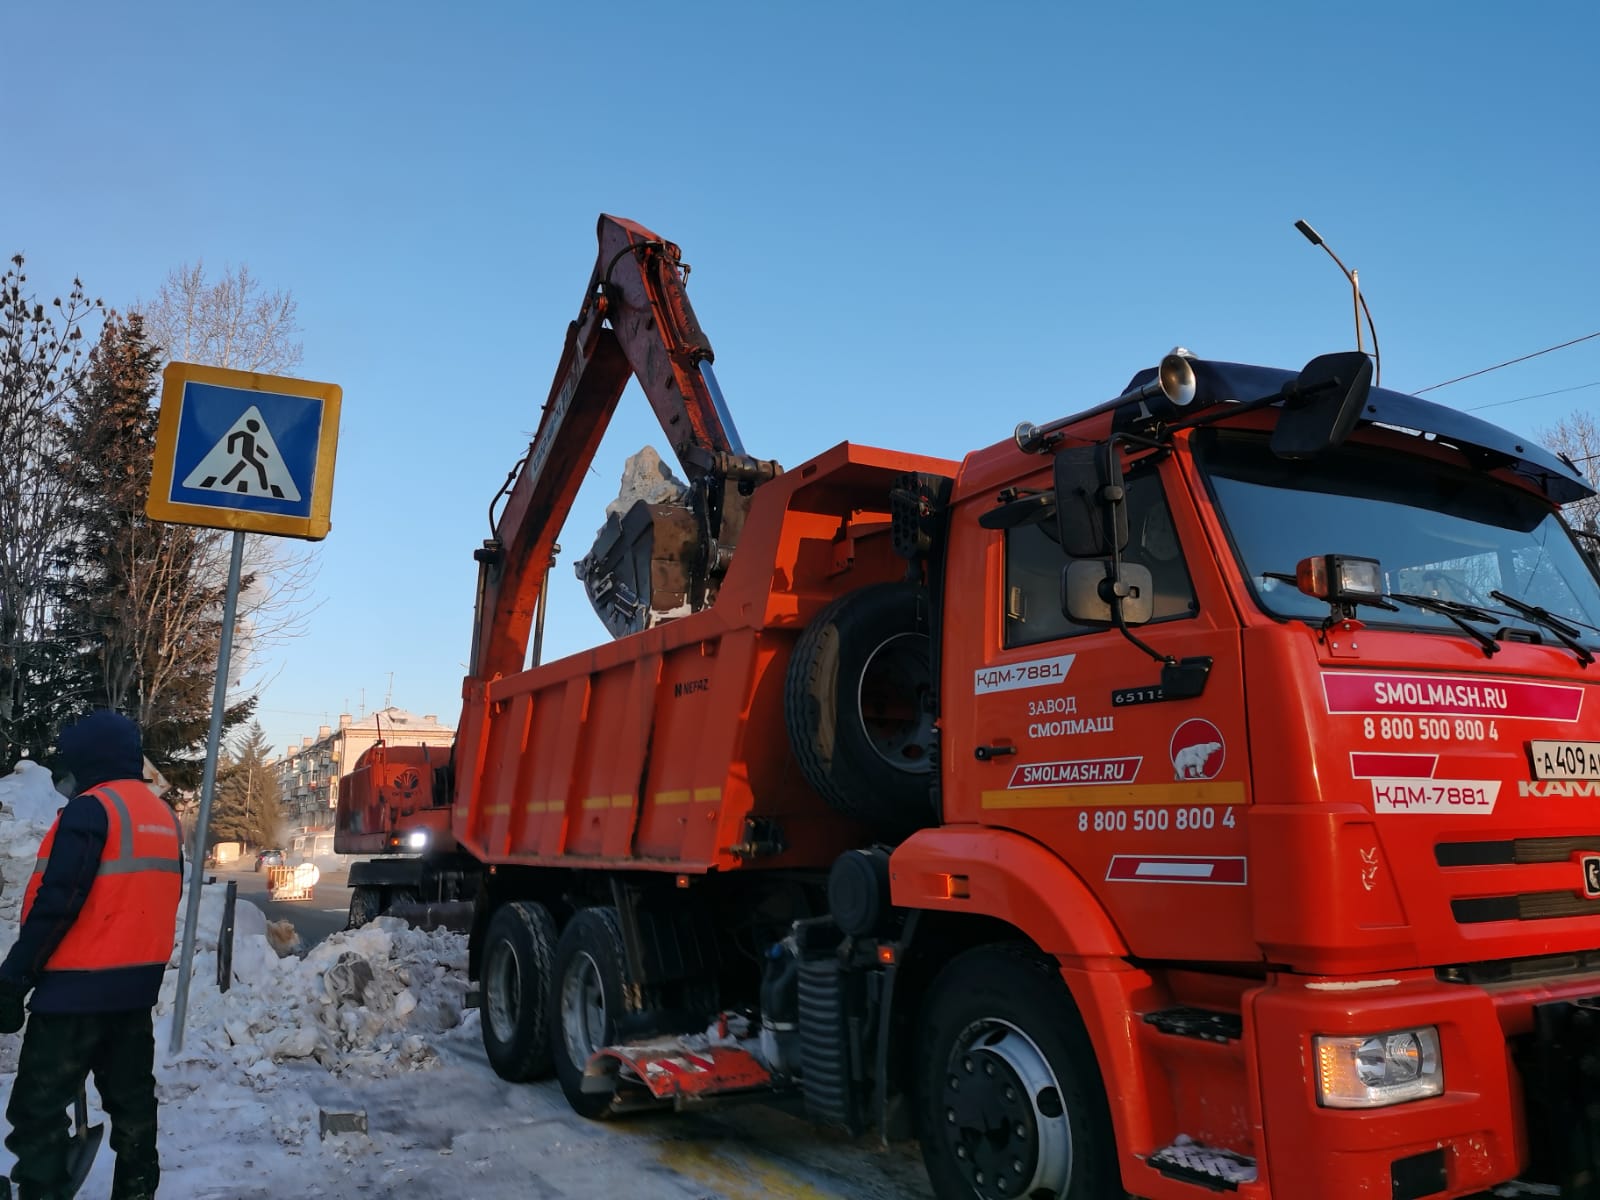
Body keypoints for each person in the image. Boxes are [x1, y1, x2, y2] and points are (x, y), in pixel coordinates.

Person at [0, 711, 184, 1200]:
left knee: (36, 1112)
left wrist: (16, 975)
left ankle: (43, 1193)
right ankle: (137, 1191)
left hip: (72, 996)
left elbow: (59, 903)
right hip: (133, 994)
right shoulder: (162, 817)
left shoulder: (92, 808)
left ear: (89, 759)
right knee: (133, 1109)